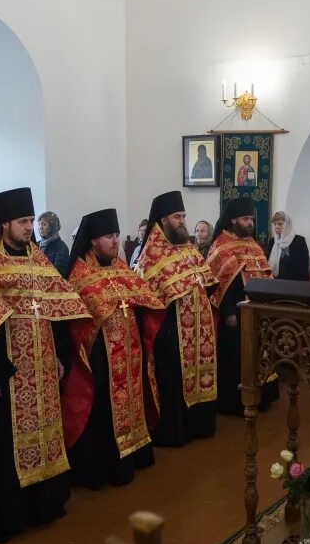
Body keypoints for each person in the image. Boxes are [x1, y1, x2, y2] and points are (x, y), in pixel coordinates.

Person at [0, 188, 90, 544]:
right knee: (2, 446)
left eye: (30, 221)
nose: (29, 228)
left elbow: (56, 309)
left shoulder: (36, 259)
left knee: (43, 434)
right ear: (4, 223)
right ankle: (5, 516)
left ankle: (44, 506)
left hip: (40, 367)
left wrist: (57, 354)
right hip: (6, 375)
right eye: (23, 222)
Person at [61, 209, 163, 490]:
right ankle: (103, 467)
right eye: (109, 236)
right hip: (99, 356)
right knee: (103, 407)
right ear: (93, 241)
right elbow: (77, 321)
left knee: (131, 399)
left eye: (117, 235)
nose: (116, 240)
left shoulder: (121, 268)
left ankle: (132, 455)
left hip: (129, 351)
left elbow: (143, 298)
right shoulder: (80, 275)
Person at [134, 191, 219, 446]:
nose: (182, 221)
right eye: (176, 216)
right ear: (163, 220)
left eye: (183, 216)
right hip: (170, 330)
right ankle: (174, 431)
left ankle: (199, 425)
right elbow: (147, 299)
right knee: (173, 379)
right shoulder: (151, 255)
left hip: (198, 329)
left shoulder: (189, 249)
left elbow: (209, 282)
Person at [205, 197, 277, 416]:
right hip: (235, 313)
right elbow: (217, 281)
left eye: (251, 219)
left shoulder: (252, 244)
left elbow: (265, 274)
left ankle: (261, 396)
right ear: (233, 219)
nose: (250, 223)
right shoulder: (220, 246)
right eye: (246, 219)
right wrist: (228, 312)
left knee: (258, 352)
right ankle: (234, 402)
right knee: (235, 356)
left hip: (258, 312)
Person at [266, 211, 309, 280]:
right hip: (274, 284)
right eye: (275, 224)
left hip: (293, 285)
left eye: (280, 224)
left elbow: (303, 268)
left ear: (287, 225)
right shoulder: (272, 241)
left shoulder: (299, 241)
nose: (276, 227)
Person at [38, 211, 70, 277]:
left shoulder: (61, 247)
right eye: (39, 224)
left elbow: (59, 274)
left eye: (44, 224)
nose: (40, 227)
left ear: (53, 227)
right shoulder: (35, 244)